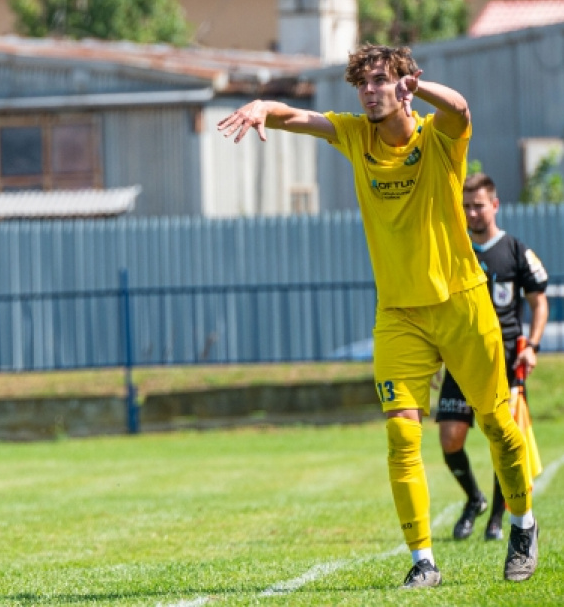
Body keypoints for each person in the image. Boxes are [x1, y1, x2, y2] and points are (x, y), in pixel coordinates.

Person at [217, 43, 538, 589]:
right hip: (399, 314)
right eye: (361, 83)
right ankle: (423, 560)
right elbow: (299, 116)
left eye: (379, 81)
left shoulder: (438, 138)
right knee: (402, 436)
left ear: (402, 84)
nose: (368, 91)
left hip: (463, 302)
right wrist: (262, 106)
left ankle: (523, 525)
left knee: (497, 426)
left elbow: (461, 110)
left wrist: (424, 87)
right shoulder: (355, 134)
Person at [437, 173, 548, 543]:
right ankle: (474, 500)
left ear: (495, 205)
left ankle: (499, 518)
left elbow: (538, 302)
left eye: (478, 205)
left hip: (504, 359)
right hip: (460, 354)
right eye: (466, 206)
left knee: (502, 438)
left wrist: (531, 344)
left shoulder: (516, 249)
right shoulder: (457, 251)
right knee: (450, 438)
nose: (471, 212)